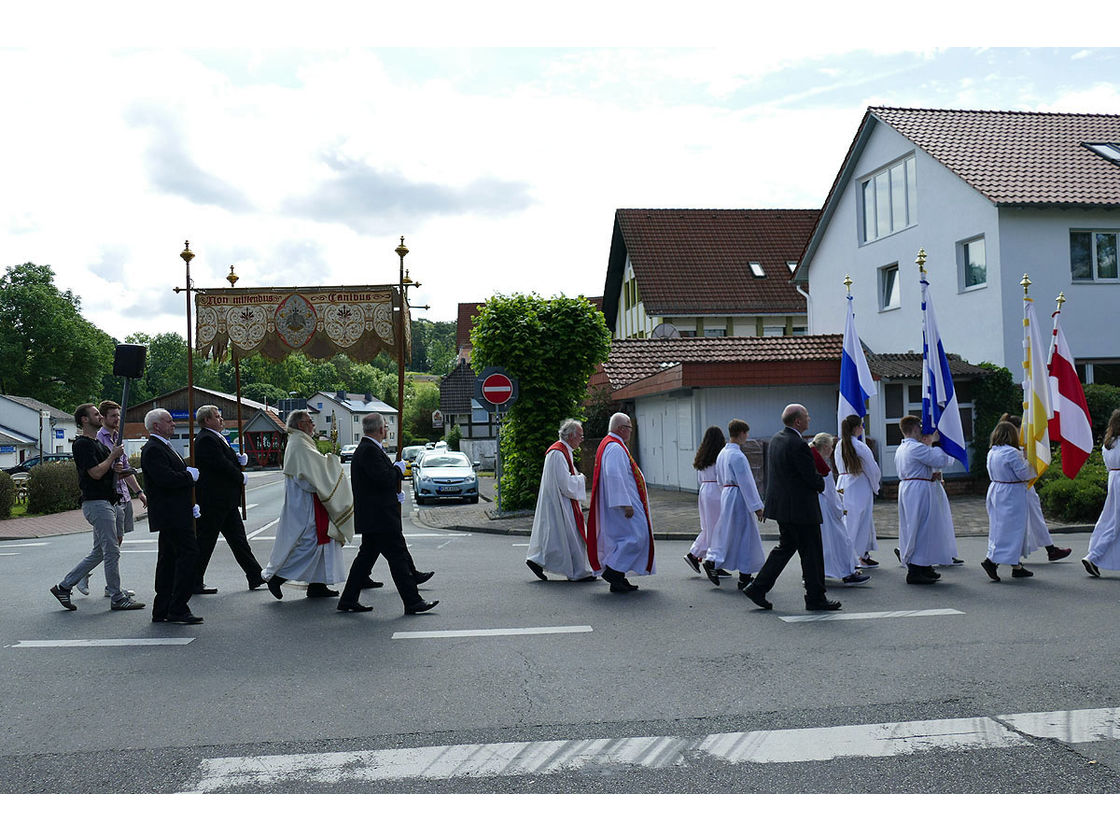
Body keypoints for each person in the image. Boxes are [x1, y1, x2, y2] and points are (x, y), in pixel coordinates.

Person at [338, 412, 438, 615]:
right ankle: (412, 601)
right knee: (398, 557)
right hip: (380, 516)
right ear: (380, 429)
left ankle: (348, 599)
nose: (387, 429)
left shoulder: (369, 449)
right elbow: (383, 479)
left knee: (365, 559)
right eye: (385, 425)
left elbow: (377, 482)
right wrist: (398, 471)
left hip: (376, 515)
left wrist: (395, 491)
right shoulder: (368, 451)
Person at [742, 404, 839, 612]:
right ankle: (815, 598)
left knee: (785, 548)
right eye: (806, 416)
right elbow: (809, 478)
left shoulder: (777, 438)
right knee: (812, 553)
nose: (809, 419)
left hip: (784, 507)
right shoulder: (798, 444)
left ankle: (758, 587)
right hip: (801, 509)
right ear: (797, 421)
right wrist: (822, 482)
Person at [49, 404, 145, 613]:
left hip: (108, 501)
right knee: (111, 551)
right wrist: (112, 458)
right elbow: (94, 473)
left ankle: (64, 586)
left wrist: (118, 470)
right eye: (96, 414)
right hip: (96, 502)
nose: (100, 416)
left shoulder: (98, 445)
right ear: (84, 420)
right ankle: (116, 596)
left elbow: (107, 472)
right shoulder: (83, 445)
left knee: (102, 551)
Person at [263, 410, 354, 600]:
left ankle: (317, 585)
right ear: (300, 424)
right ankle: (277, 578)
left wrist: (326, 464)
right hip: (306, 504)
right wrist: (331, 464)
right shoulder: (299, 444)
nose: (313, 424)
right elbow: (307, 479)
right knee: (310, 544)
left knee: (325, 543)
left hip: (312, 503)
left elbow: (314, 469)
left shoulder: (301, 441)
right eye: (310, 421)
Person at [74, 399, 146, 599]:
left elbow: (119, 470)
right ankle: (105, 587)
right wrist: (112, 458)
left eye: (119, 416)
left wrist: (139, 492)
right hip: (101, 499)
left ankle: (87, 581)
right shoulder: (94, 440)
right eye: (113, 416)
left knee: (111, 545)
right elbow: (97, 472)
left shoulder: (115, 438)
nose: (117, 420)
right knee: (109, 547)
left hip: (118, 497)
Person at [193, 404, 267, 593]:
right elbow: (219, 464)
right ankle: (192, 581)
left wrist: (238, 459)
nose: (221, 419)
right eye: (217, 416)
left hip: (225, 501)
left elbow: (225, 459)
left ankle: (255, 576)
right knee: (205, 543)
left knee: (239, 541)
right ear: (207, 420)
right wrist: (239, 474)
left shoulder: (215, 437)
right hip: (214, 501)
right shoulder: (205, 439)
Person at [140, 408, 202, 624]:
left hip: (175, 512)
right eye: (169, 421)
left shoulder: (163, 446)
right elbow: (165, 479)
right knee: (189, 555)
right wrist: (188, 476)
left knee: (168, 560)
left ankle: (163, 608)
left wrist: (189, 504)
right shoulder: (154, 449)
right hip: (171, 514)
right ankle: (178, 606)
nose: (173, 424)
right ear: (156, 425)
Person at [587, 412, 654, 593]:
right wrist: (625, 503)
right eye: (629, 428)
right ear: (621, 429)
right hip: (623, 505)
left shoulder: (612, 444)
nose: (631, 431)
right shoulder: (615, 447)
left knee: (626, 538)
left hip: (622, 502)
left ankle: (619, 578)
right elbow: (614, 475)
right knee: (636, 537)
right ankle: (614, 571)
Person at [526, 418, 595, 582]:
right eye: (580, 436)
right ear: (571, 436)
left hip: (559, 501)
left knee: (557, 538)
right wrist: (581, 479)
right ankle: (578, 572)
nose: (581, 440)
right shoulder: (558, 453)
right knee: (570, 537)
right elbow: (565, 484)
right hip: (561, 503)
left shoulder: (562, 451)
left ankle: (537, 560)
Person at [999, 413, 1072, 563]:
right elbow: (1023, 471)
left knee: (1036, 519)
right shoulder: (1012, 449)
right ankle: (1007, 556)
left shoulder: (1010, 447)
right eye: (1020, 430)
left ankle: (1050, 548)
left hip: (1023, 488)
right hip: (1018, 488)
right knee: (1017, 524)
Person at [702, 419, 766, 591]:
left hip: (727, 493)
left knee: (730, 533)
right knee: (745, 535)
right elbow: (747, 482)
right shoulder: (737, 455)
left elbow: (721, 478)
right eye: (746, 433)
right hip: (739, 496)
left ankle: (716, 561)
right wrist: (757, 506)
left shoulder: (723, 452)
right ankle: (742, 575)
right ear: (742, 433)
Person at [894, 415, 958, 584]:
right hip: (918, 490)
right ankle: (915, 569)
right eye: (920, 427)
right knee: (920, 529)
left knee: (925, 528)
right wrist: (936, 442)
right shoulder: (914, 448)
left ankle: (924, 565)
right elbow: (941, 459)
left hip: (914, 488)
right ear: (915, 429)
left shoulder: (904, 447)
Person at [810, 433, 869, 586]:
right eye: (830, 447)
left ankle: (813, 574)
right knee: (842, 541)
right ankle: (847, 573)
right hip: (826, 508)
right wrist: (839, 510)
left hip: (813, 506)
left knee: (819, 544)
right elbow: (829, 492)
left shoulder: (810, 461)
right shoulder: (823, 467)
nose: (831, 450)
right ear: (824, 447)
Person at [981, 420, 1035, 582]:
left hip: (997, 490)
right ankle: (992, 561)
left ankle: (1016, 565)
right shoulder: (1012, 453)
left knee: (1000, 527)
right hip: (1011, 492)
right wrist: (1030, 461)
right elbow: (1024, 474)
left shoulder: (993, 451)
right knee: (1011, 529)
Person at [835, 414, 881, 569]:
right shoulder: (860, 446)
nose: (862, 428)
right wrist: (876, 486)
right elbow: (872, 469)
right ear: (856, 428)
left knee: (851, 521)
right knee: (858, 522)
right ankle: (850, 558)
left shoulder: (839, 444)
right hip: (859, 485)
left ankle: (863, 554)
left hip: (843, 483)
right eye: (861, 425)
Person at [684, 425, 728, 577]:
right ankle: (712, 560)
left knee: (709, 527)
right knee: (717, 528)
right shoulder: (720, 456)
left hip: (704, 491)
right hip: (716, 491)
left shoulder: (702, 456)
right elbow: (722, 477)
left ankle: (696, 554)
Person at [1083, 409, 1120, 579]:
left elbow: (1108, 466)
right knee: (1114, 523)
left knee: (1109, 519)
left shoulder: (1109, 443)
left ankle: (1094, 555)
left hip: (1113, 479)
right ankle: (1094, 556)